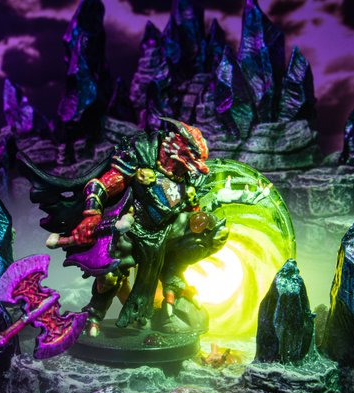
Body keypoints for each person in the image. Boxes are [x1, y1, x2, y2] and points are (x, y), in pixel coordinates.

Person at [57, 117, 227, 336]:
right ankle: (94, 315)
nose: (198, 167)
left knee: (190, 250)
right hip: (130, 229)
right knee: (109, 277)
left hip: (163, 234)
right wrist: (91, 215)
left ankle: (161, 306)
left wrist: (201, 220)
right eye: (190, 156)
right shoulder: (142, 156)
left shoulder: (188, 178)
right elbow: (101, 186)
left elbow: (191, 211)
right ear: (176, 145)